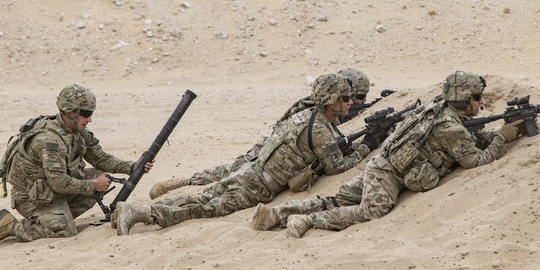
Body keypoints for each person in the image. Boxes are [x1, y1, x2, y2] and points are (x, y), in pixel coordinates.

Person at [251, 70, 523, 239]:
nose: (482, 102)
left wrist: (500, 131)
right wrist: (502, 138)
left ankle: (277, 213)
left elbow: (471, 137)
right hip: (387, 175)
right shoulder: (450, 126)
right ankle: (307, 220)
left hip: (381, 166)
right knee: (371, 211)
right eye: (477, 98)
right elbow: (475, 160)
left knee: (337, 199)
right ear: (464, 99)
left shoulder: (441, 111)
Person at [114, 72, 374, 235]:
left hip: (249, 171)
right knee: (203, 209)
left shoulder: (308, 116)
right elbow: (337, 168)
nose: (351, 103)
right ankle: (142, 214)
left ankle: (138, 210)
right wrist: (367, 146)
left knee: (204, 198)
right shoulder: (320, 130)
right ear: (331, 102)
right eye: (346, 98)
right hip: (257, 186)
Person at [147, 67, 374, 199]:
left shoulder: (332, 106)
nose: (357, 102)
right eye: (357, 97)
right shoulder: (317, 109)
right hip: (272, 151)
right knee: (231, 171)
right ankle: (183, 183)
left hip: (276, 151)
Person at [0, 84, 153, 244]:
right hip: (32, 197)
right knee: (64, 231)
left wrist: (132, 167)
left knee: (99, 176)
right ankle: (9, 226)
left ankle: (56, 217)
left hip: (51, 190)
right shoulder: (49, 140)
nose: (90, 119)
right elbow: (58, 182)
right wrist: (93, 185)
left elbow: (100, 158)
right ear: (71, 112)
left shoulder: (77, 131)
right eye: (86, 113)